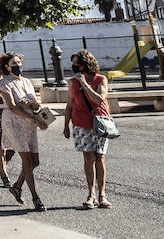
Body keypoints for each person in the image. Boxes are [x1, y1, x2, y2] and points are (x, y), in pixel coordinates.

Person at [0, 52, 50, 212]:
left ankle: (17, 186)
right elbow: (12, 106)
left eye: (19, 62)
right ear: (7, 66)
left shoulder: (27, 82)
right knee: (27, 160)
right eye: (14, 63)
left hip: (29, 123)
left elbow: (36, 104)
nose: (18, 65)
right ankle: (36, 197)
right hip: (13, 122)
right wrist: (34, 118)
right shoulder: (4, 83)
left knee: (35, 162)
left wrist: (34, 105)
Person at [64, 50, 112, 209]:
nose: (74, 66)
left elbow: (99, 100)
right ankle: (91, 194)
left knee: (100, 158)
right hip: (81, 123)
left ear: (86, 64)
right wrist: (65, 126)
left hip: (99, 123)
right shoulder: (72, 82)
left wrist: (84, 84)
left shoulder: (100, 79)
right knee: (88, 158)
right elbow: (69, 105)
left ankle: (102, 194)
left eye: (77, 63)